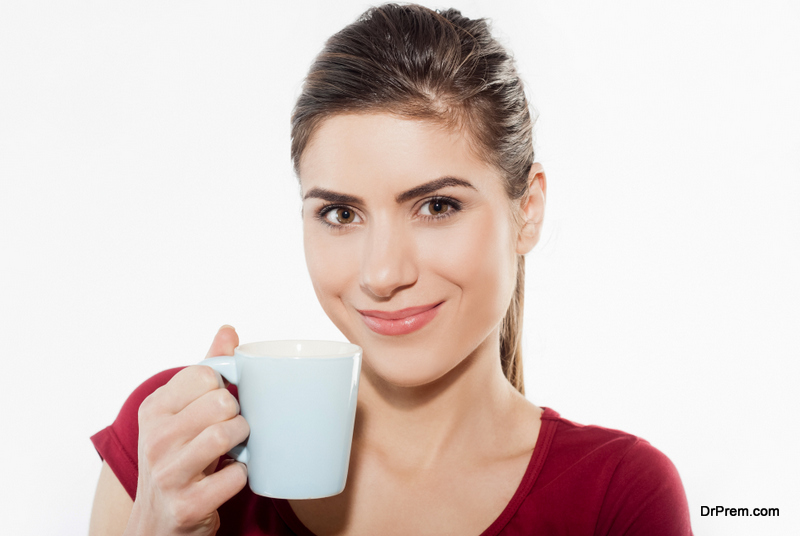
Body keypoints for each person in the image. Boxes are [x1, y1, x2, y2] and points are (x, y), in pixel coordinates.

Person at [89, 4, 693, 535]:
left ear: (527, 211)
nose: (382, 274)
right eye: (340, 212)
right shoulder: (178, 440)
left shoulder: (619, 497)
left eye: (437, 206)